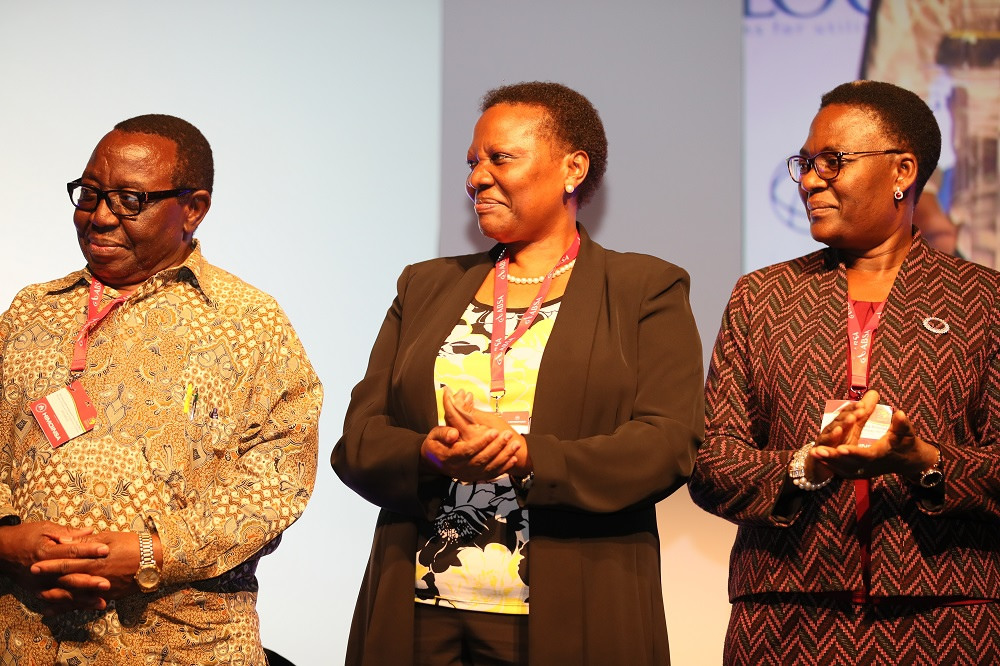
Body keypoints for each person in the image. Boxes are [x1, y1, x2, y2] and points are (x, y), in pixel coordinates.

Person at [333, 81, 703, 665]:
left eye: (500, 158)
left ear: (572, 169)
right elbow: (359, 439)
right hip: (420, 608)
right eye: (472, 163)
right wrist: (427, 453)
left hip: (572, 609)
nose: (477, 178)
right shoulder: (424, 285)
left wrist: (529, 456)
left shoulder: (645, 289)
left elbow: (667, 444)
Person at [689, 80, 1000, 664]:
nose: (810, 181)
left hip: (947, 620)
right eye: (806, 163)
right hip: (783, 620)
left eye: (832, 161)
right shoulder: (764, 296)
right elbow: (711, 465)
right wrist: (805, 466)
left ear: (902, 170)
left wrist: (924, 462)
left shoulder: (983, 300)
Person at [0, 114, 322, 664]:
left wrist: (152, 554)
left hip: (181, 643)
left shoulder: (248, 322)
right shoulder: (32, 311)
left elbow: (277, 476)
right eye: (90, 193)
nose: (101, 216)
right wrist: (8, 542)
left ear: (193, 209)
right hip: (26, 640)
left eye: (130, 200)